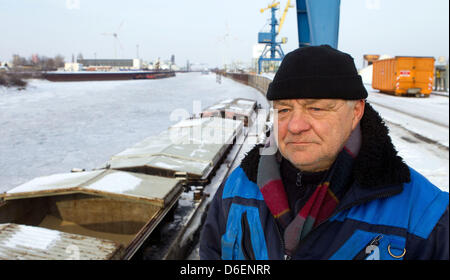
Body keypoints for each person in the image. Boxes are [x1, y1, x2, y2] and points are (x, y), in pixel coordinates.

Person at [199, 45, 449, 260]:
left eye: (316, 108)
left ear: (356, 112)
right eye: (284, 110)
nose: (295, 126)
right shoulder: (236, 188)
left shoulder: (426, 215)